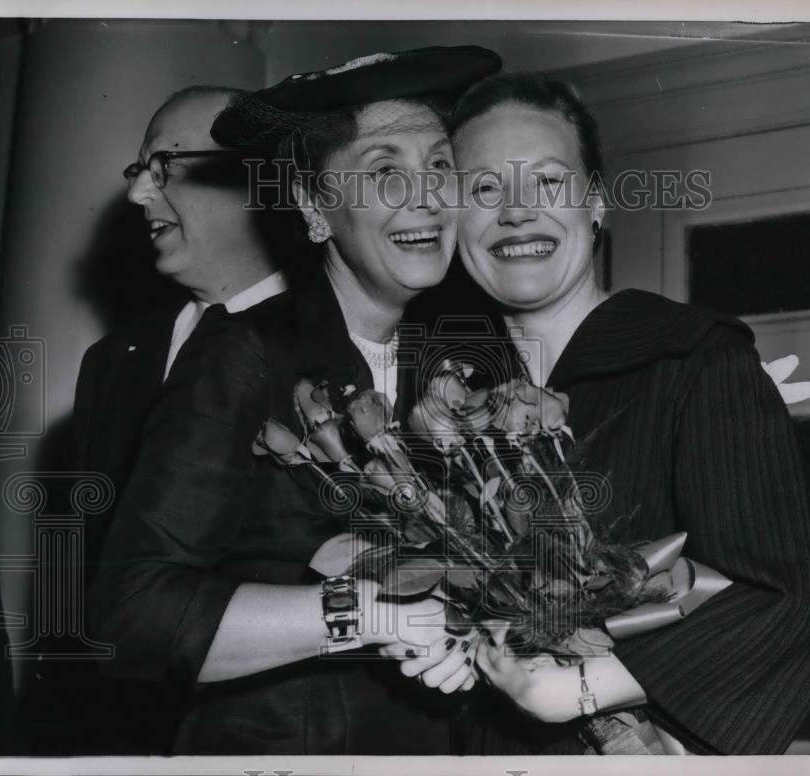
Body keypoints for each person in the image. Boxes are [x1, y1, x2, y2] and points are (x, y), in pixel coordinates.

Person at [87, 46, 501, 755]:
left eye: (439, 166)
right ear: (313, 206)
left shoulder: (459, 367)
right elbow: (130, 618)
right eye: (385, 171)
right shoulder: (244, 353)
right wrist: (361, 613)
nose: (428, 197)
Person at [447, 74, 810, 755]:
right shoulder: (444, 399)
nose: (515, 212)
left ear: (596, 203)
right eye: (483, 189)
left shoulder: (697, 360)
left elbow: (784, 601)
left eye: (547, 182)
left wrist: (582, 687)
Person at [67, 85, 289, 754]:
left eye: (164, 167)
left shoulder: (332, 341)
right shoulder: (112, 360)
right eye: (140, 171)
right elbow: (86, 585)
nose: (138, 196)